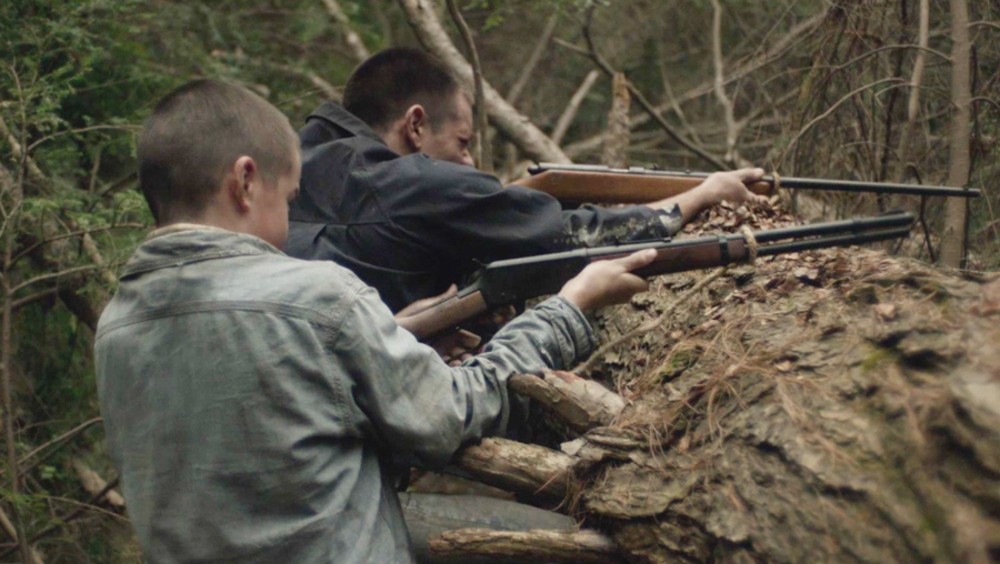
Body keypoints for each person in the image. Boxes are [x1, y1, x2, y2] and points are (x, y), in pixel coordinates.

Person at [94, 79, 657, 563]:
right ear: (245, 181)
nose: (290, 222)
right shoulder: (315, 293)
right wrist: (570, 305)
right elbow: (453, 413)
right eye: (288, 199)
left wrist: (395, 340)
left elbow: (270, 434)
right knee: (594, 546)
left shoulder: (116, 327)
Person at [286, 47, 767, 313]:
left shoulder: (287, 169)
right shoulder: (411, 183)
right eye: (462, 143)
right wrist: (703, 194)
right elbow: (575, 238)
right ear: (415, 126)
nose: (470, 163)